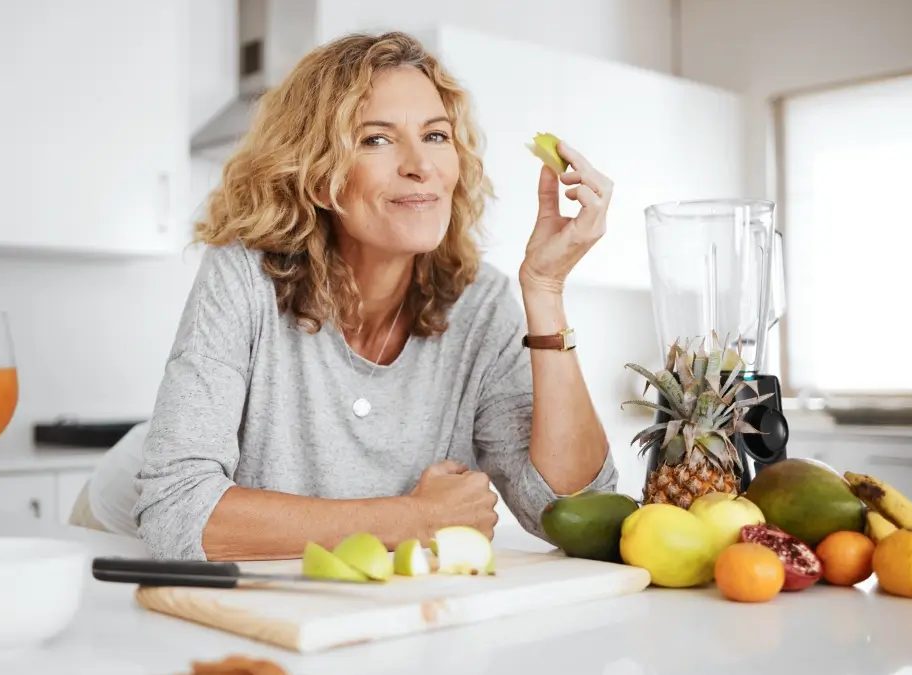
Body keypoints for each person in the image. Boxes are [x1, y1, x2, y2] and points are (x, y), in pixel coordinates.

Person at [128, 31, 617, 561]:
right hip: (117, 530)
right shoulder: (244, 276)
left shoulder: (481, 305)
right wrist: (415, 519)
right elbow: (174, 511)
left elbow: (578, 513)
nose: (420, 165)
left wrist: (545, 292)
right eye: (376, 140)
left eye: (435, 136)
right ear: (319, 179)